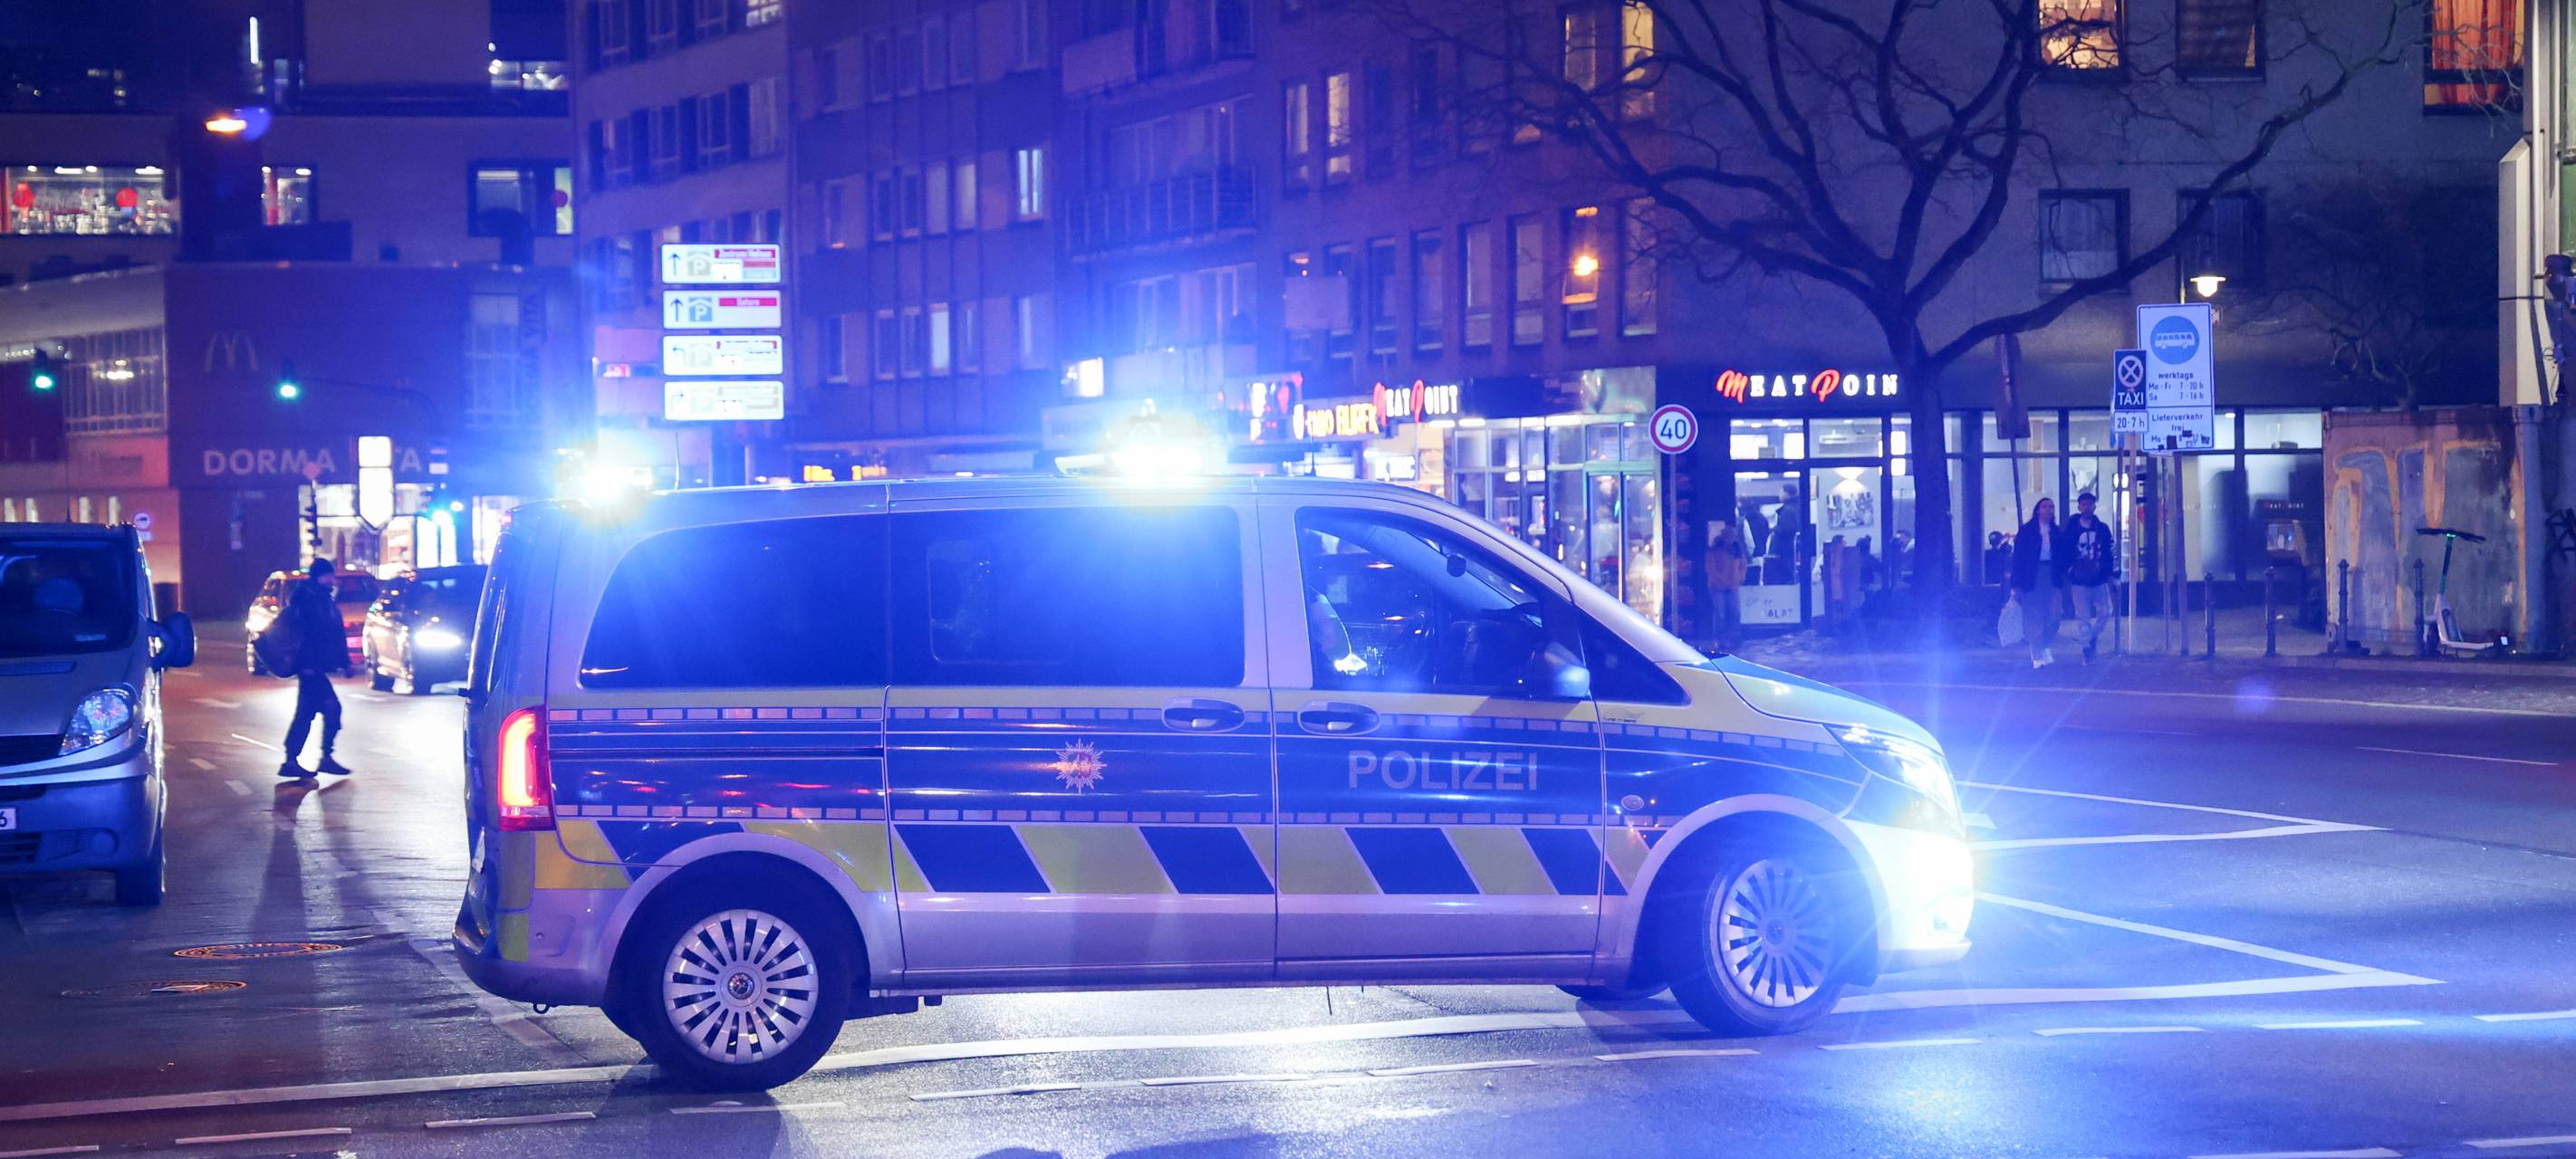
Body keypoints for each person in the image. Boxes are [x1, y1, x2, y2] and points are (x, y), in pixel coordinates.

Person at [278, 559, 353, 780]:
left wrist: (345, 661)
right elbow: (306, 635)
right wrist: (308, 665)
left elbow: (335, 633)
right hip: (310, 668)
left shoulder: (322, 598)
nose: (332, 579)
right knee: (329, 709)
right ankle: (316, 758)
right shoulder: (306, 600)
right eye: (329, 575)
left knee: (307, 713)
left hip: (316, 667)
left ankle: (295, 759)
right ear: (320, 576)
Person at [2007, 498, 2068, 667]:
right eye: (2044, 507)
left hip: (2052, 575)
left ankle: (2046, 644)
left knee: (2055, 614)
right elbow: (2018, 558)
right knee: (2034, 614)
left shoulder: (2056, 532)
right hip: (2032, 576)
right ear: (2037, 510)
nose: (2048, 509)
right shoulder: (2027, 531)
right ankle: (2037, 653)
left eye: (2051, 507)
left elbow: (2062, 556)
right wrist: (2016, 583)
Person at [2062, 490, 2119, 663]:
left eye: (2090, 504)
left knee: (2106, 612)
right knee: (2083, 615)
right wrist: (2070, 570)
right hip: (2079, 579)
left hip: (2099, 577)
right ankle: (2087, 648)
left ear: (2095, 506)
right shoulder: (2071, 530)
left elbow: (2110, 551)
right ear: (2079, 506)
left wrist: (2112, 573)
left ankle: (2090, 638)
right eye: (2084, 504)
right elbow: (2063, 551)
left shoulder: (2102, 529)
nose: (2087, 507)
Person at [1706, 514, 1748, 651]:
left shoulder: (1737, 550)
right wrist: (1721, 580)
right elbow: (1710, 567)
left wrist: (1739, 579)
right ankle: (1720, 639)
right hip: (1718, 586)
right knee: (1721, 614)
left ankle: (1733, 637)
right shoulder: (1715, 550)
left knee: (1734, 612)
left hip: (1732, 585)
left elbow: (1743, 566)